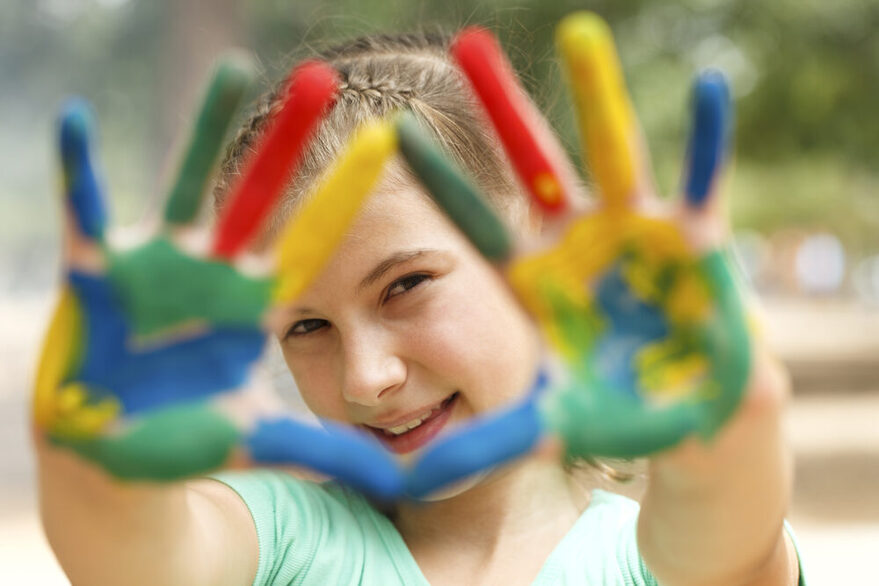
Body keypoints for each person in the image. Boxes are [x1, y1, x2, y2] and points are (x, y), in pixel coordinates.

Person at [35, 16, 803, 586]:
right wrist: (98, 460)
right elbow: (134, 561)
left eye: (404, 286)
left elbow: (729, 537)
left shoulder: (653, 560)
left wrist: (717, 423)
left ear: (533, 246)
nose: (364, 379)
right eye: (305, 325)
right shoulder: (278, 537)